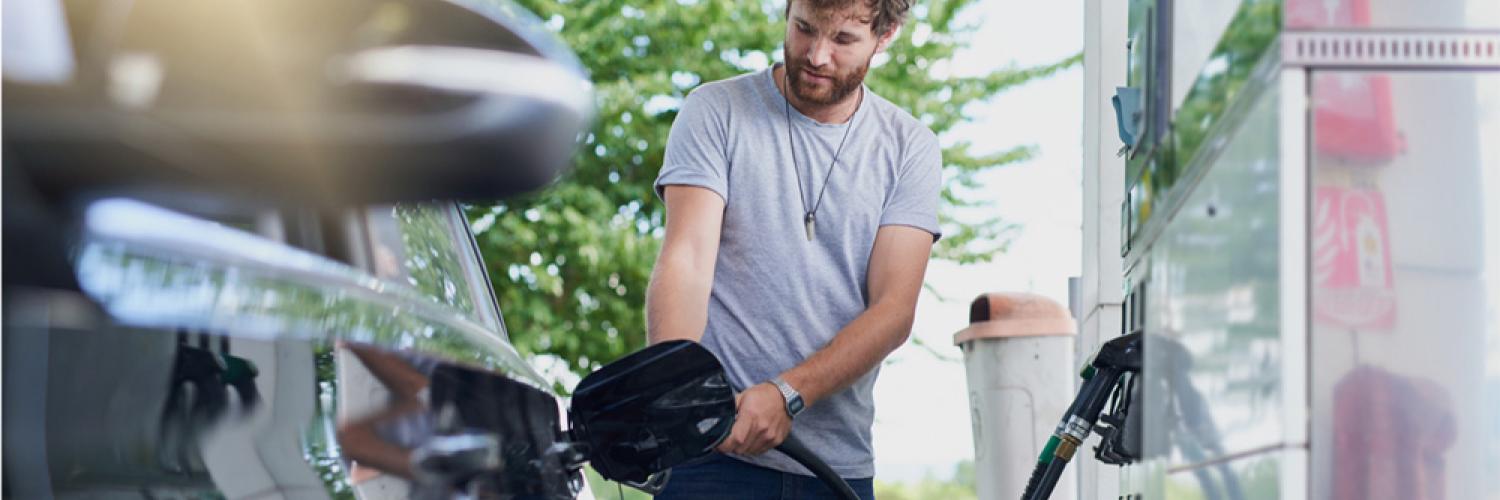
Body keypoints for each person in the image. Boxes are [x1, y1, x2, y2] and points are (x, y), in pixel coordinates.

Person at [646, 0, 940, 497]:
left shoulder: (910, 148)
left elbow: (893, 310)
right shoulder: (715, 111)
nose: (817, 56)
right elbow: (687, 260)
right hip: (710, 455)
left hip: (835, 468)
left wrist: (788, 394)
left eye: (843, 40)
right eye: (804, 28)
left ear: (884, 35)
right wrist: (680, 394)